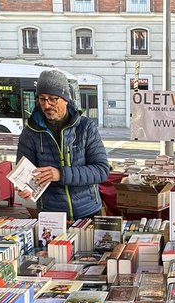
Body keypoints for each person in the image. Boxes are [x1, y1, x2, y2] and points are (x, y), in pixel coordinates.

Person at [16, 69, 109, 218]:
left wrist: (61, 174)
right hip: (51, 214)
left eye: (53, 99)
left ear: (65, 99)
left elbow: (101, 170)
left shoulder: (86, 127)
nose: (46, 105)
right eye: (42, 99)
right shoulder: (30, 133)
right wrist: (24, 187)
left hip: (88, 211)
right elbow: (24, 173)